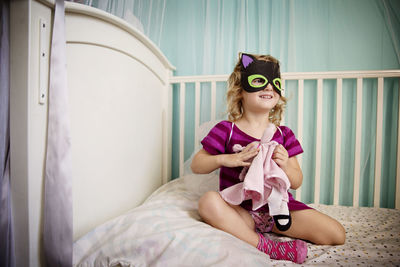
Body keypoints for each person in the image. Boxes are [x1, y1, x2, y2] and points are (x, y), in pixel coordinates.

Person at [191, 53, 345, 264]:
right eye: (259, 81)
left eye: (275, 83)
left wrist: (284, 166)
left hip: (279, 212)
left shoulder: (284, 134)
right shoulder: (226, 130)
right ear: (240, 90)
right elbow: (197, 165)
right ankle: (266, 246)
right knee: (207, 202)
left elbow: (297, 180)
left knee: (337, 234)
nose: (269, 88)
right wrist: (227, 159)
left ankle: (261, 233)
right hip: (241, 212)